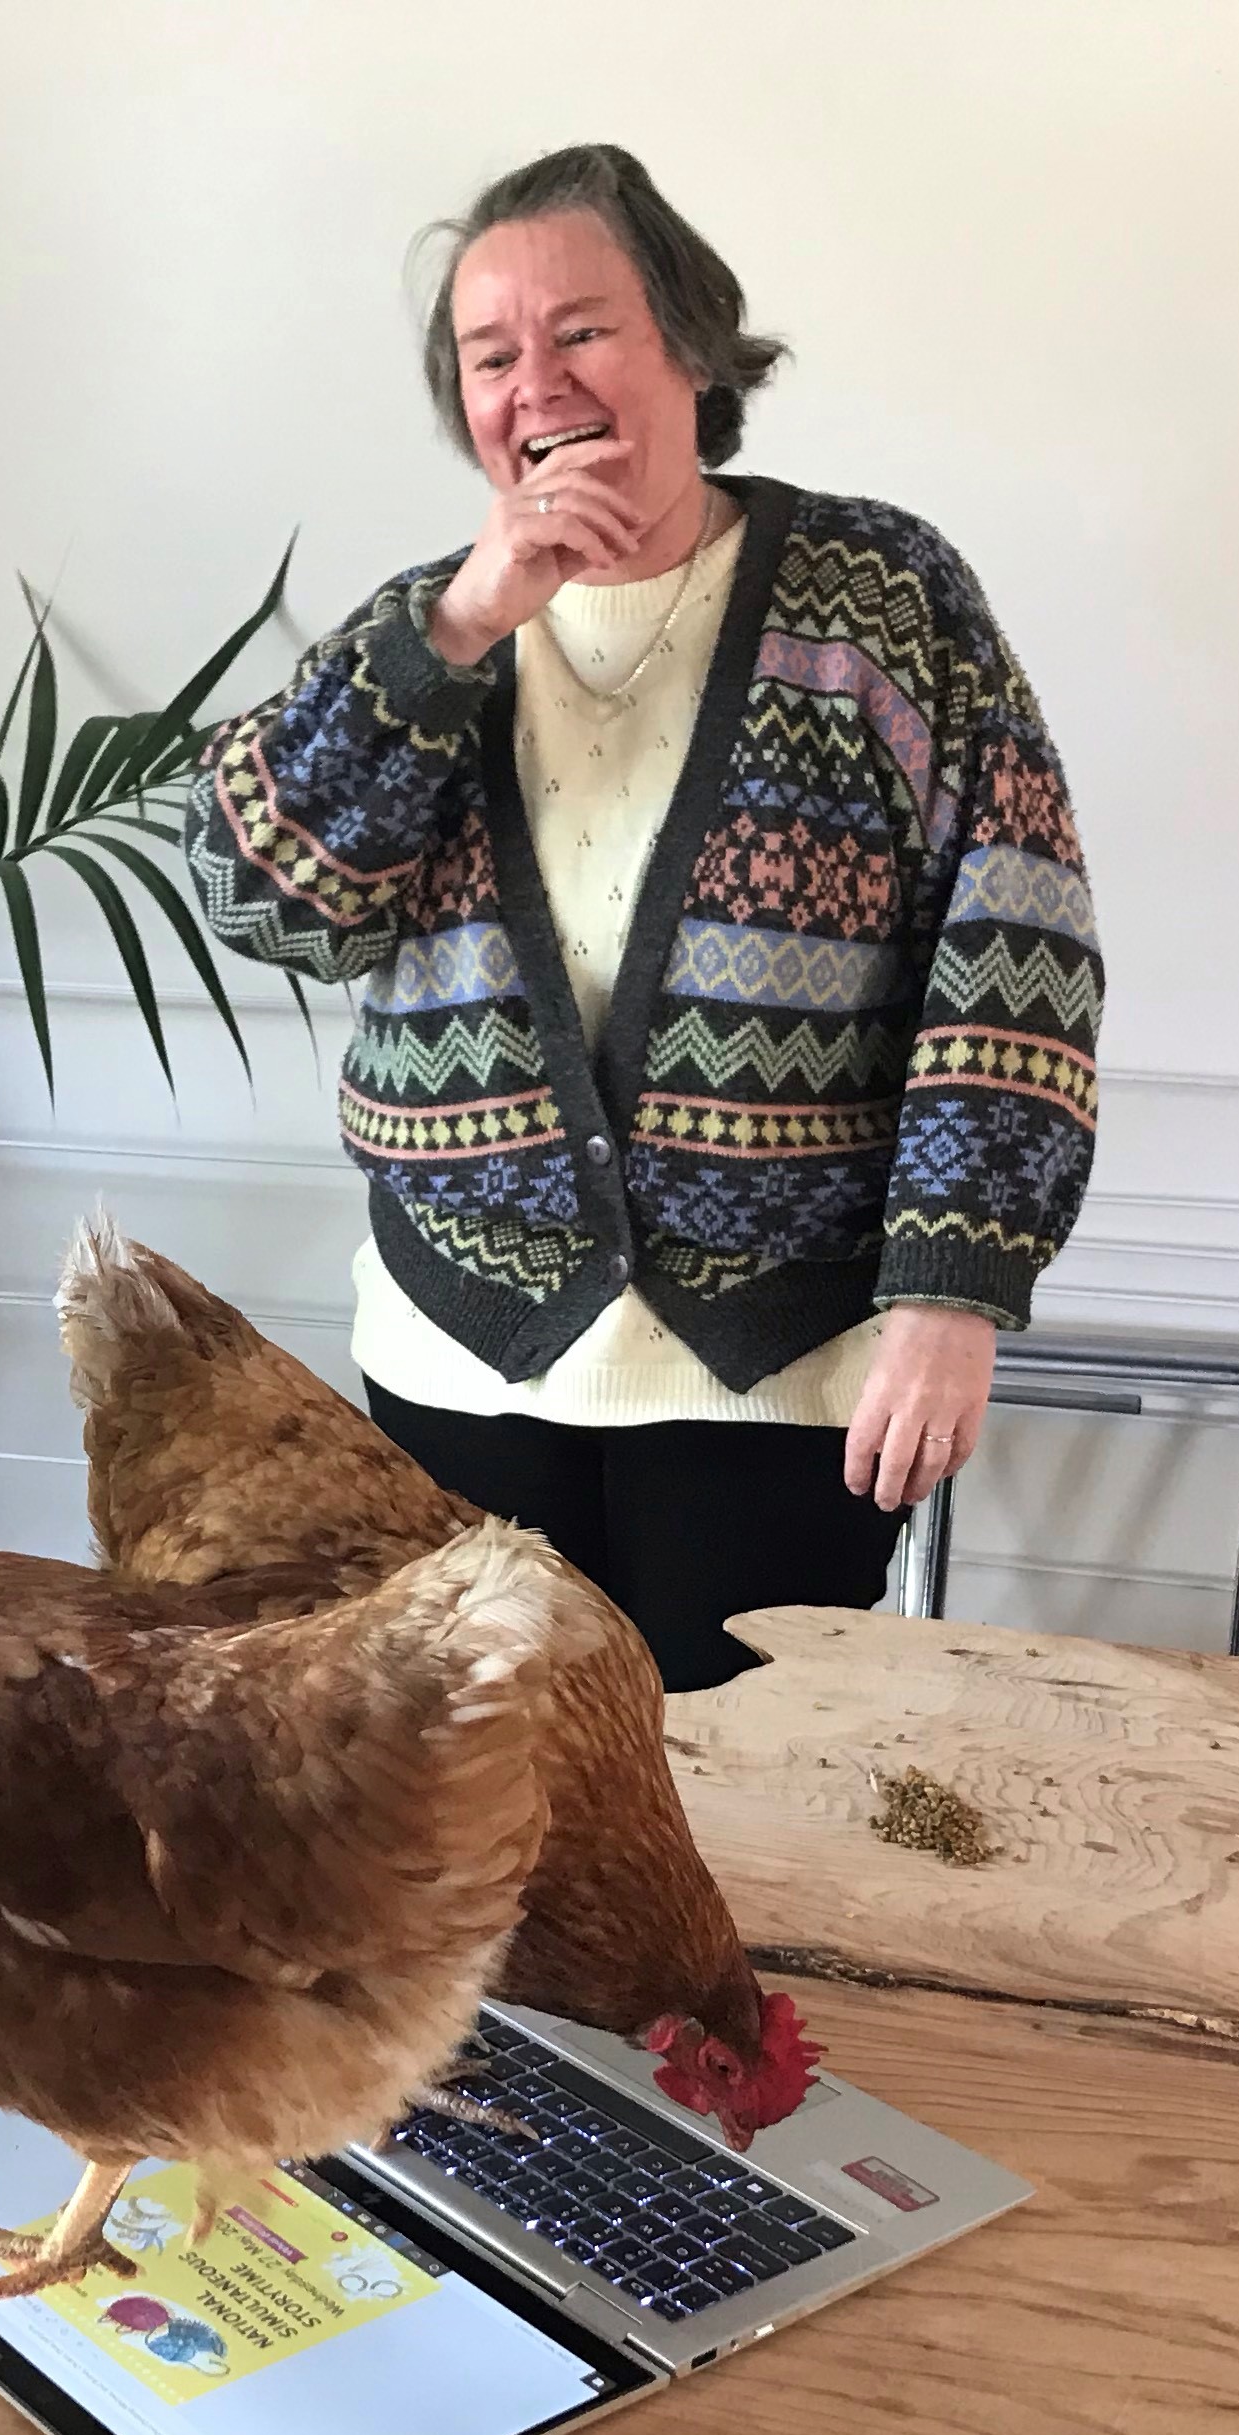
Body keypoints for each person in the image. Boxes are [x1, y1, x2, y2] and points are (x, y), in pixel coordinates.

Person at [188, 144, 1102, 1692]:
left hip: (774, 1370)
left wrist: (953, 1289)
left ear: (688, 343)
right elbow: (269, 902)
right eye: (491, 354)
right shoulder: (423, 627)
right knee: (480, 1817)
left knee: (740, 1826)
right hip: (462, 1351)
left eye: (583, 330)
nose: (536, 380)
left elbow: (1015, 945)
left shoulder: (881, 597)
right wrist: (458, 633)